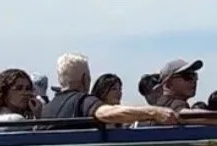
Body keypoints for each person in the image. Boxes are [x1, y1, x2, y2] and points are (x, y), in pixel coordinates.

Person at [42, 54, 178, 128]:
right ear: (85, 79)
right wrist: (154, 112)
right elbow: (106, 114)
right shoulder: (83, 101)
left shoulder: (46, 110)